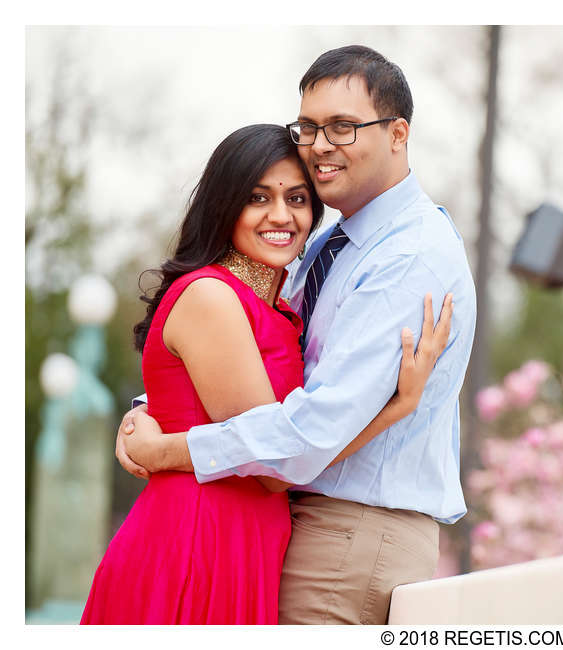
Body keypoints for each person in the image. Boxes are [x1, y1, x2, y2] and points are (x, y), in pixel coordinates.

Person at [118, 45, 477, 624]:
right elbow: (247, 357)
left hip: (349, 531)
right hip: (278, 519)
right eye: (308, 127)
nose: (320, 145)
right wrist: (152, 408)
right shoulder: (322, 245)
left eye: (343, 126)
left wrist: (170, 447)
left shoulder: (409, 256)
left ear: (398, 133)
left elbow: (312, 435)